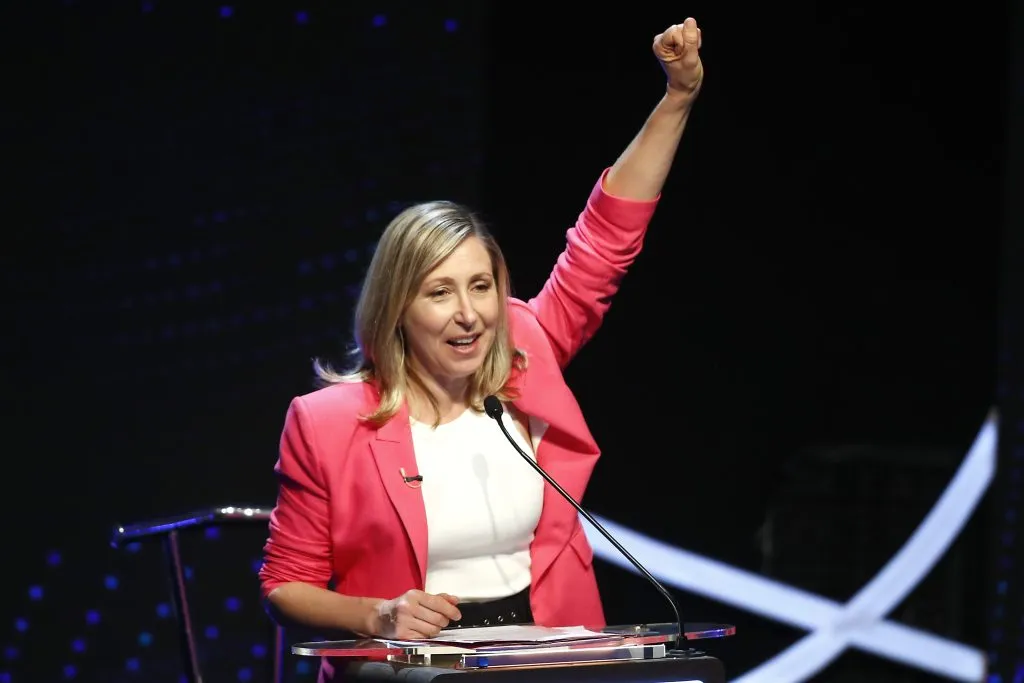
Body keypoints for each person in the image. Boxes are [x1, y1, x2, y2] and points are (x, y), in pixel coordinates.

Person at [258, 15, 704, 667]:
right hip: (414, 667)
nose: (469, 314)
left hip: (550, 659)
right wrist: (379, 615)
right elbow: (283, 585)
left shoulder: (527, 350)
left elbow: (604, 242)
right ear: (397, 309)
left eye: (481, 286)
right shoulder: (327, 421)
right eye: (439, 293)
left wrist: (677, 99)